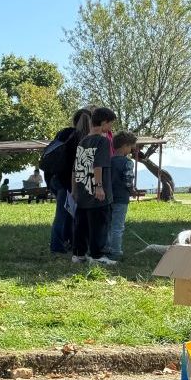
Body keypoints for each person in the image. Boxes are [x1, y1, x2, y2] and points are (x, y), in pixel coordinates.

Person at [71, 107, 117, 265]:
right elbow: (98, 165)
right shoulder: (103, 141)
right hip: (97, 192)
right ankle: (98, 256)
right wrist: (99, 186)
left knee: (81, 224)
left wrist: (74, 190)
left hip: (83, 190)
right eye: (110, 124)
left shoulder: (83, 141)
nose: (110, 128)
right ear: (103, 122)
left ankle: (79, 254)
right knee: (99, 224)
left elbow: (76, 168)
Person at [49, 108, 92, 254]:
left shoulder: (64, 133)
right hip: (71, 181)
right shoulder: (84, 139)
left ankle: (63, 244)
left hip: (57, 178)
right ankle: (59, 246)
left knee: (64, 214)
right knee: (68, 215)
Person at [107, 131, 138, 259]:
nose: (131, 150)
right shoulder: (128, 162)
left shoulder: (108, 161)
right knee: (118, 227)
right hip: (121, 198)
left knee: (108, 225)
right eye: (131, 147)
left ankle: (106, 248)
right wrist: (133, 191)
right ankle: (116, 252)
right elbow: (128, 181)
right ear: (125, 146)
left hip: (108, 198)